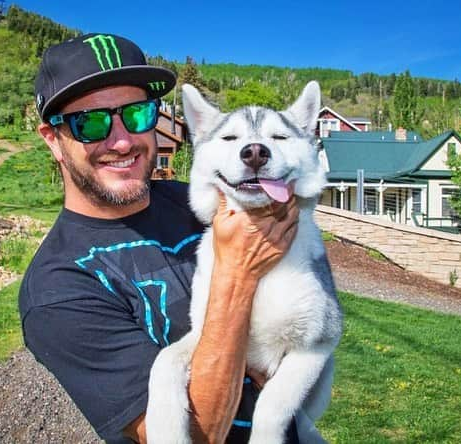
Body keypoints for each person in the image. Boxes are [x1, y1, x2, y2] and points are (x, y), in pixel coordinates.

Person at [19, 33, 301, 443]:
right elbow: (191, 434)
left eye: (136, 115)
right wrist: (238, 279)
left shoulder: (201, 200)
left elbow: (302, 290)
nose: (122, 141)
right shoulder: (57, 291)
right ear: (54, 140)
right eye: (91, 123)